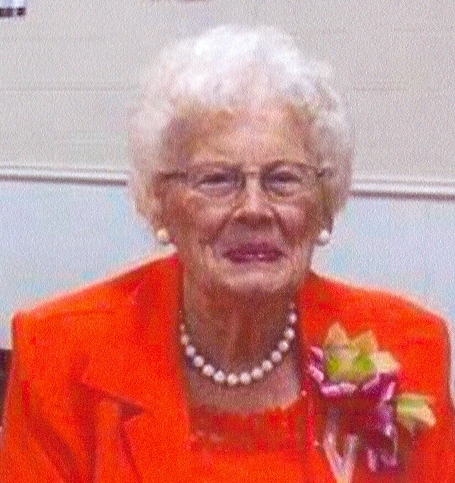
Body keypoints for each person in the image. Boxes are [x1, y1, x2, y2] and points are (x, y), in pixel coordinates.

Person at [0, 25, 454, 483]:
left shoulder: (410, 346)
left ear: (324, 205)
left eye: (283, 179)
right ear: (159, 203)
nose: (253, 209)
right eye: (217, 180)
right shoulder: (60, 354)